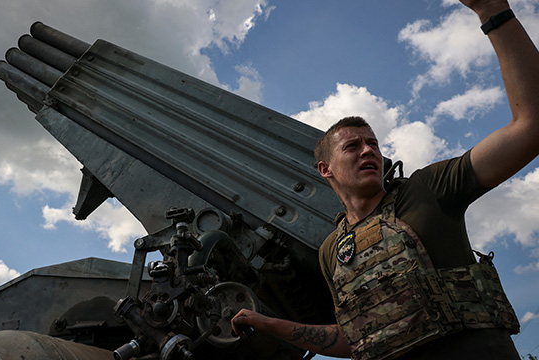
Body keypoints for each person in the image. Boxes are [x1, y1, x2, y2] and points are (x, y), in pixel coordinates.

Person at [231, 0, 539, 359]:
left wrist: (491, 11)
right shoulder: (333, 250)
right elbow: (357, 336)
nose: (368, 151)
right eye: (353, 146)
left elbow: (530, 128)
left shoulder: (429, 189)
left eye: (373, 144)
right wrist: (271, 324)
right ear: (325, 170)